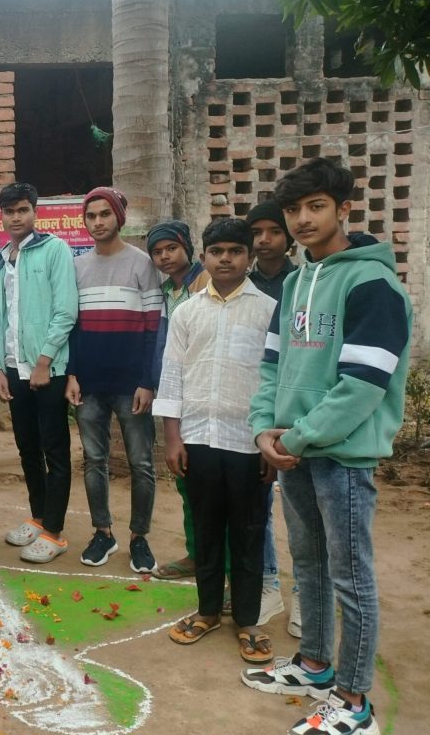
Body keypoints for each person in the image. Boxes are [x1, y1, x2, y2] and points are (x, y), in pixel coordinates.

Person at [242, 157, 411, 735]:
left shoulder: (372, 284)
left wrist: (297, 434)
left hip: (342, 454)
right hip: (292, 448)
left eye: (316, 206)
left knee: (351, 575)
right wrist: (264, 428)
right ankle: (314, 663)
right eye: (293, 209)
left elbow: (365, 384)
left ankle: (355, 701)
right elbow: (270, 366)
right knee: (307, 562)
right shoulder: (294, 282)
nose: (302, 219)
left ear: (344, 208)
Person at [155, 219, 277, 665]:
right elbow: (171, 375)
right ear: (204, 257)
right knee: (205, 530)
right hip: (198, 439)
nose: (225, 259)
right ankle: (206, 611)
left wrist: (268, 441)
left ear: (249, 257)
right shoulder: (187, 312)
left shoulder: (268, 310)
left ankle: (248, 621)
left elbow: (275, 380)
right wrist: (172, 437)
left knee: (248, 533)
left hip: (248, 444)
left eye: (235, 251)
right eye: (217, 251)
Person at [65, 187, 162, 573]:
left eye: (105, 214)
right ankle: (103, 531)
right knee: (94, 460)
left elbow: (153, 328)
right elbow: (73, 326)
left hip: (131, 384)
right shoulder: (77, 267)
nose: (98, 222)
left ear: (118, 217)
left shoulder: (142, 264)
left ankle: (140, 538)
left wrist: (147, 381)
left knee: (140, 463)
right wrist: (72, 374)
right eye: (91, 216)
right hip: (89, 383)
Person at [0, 182, 78, 564]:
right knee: (27, 448)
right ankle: (39, 516)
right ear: (2, 215)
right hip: (15, 368)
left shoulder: (54, 250)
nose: (15, 217)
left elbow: (66, 311)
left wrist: (44, 361)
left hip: (48, 369)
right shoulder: (1, 258)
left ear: (34, 211)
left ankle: (54, 532)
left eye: (22, 209)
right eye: (9, 211)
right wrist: (0, 368)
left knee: (54, 450)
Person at [247, 199, 302, 637]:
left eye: (273, 232)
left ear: (288, 237)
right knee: (259, 504)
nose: (264, 240)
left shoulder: (303, 284)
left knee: (301, 507)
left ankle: (304, 591)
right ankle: (267, 585)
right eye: (257, 233)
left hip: (300, 411)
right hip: (258, 407)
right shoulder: (242, 286)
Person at [147, 219, 209, 582]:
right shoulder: (167, 291)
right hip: (177, 395)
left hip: (205, 396)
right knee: (188, 481)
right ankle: (197, 555)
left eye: (171, 248)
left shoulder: (206, 285)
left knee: (212, 487)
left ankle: (230, 570)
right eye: (157, 252)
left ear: (187, 246)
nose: (165, 256)